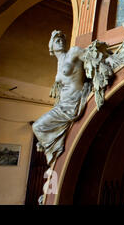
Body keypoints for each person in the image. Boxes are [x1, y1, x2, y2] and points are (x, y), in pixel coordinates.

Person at [32, 30, 91, 166]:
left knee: (37, 127)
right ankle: (54, 152)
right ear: (51, 46)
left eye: (62, 39)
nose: (61, 41)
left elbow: (93, 59)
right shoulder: (59, 63)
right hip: (62, 103)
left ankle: (54, 153)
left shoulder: (73, 52)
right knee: (38, 128)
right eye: (56, 40)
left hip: (72, 102)